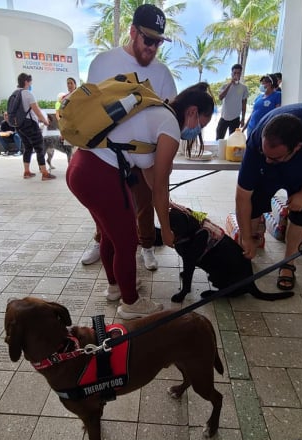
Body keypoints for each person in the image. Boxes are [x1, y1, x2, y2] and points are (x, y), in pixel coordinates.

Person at [66, 84, 214, 320]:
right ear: (193, 111)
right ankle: (131, 303)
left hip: (80, 169)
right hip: (100, 175)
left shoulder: (157, 112)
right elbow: (161, 183)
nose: (197, 131)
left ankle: (115, 287)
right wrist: (166, 230)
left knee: (109, 235)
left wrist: (167, 204)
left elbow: (150, 174)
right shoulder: (170, 126)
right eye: (202, 124)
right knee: (126, 241)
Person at [82, 3, 177, 270]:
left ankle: (146, 246)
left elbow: (169, 115)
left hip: (144, 156)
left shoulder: (162, 73)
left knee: (145, 204)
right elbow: (90, 108)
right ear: (133, 31)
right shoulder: (103, 62)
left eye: (158, 42)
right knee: (104, 207)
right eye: (148, 39)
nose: (152, 48)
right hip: (107, 154)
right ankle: (100, 241)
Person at [235, 103, 302, 291]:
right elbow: (242, 196)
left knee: (301, 212)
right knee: (254, 201)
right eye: (265, 154)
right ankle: (247, 251)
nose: (268, 160)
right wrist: (246, 237)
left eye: (274, 158)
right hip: (268, 170)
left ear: (297, 147)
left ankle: (288, 264)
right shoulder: (257, 143)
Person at [15, 73, 55, 180]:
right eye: (30, 82)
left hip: (19, 125)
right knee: (39, 148)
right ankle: (45, 173)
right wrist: (45, 121)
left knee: (27, 147)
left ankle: (26, 171)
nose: (31, 84)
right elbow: (36, 110)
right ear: (26, 82)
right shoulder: (27, 93)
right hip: (30, 124)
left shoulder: (15, 93)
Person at [216, 63, 248, 140]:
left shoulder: (243, 88)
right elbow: (220, 97)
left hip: (235, 119)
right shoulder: (225, 86)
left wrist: (243, 119)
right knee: (219, 139)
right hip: (224, 118)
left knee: (233, 141)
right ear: (231, 74)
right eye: (234, 73)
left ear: (241, 74)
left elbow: (244, 104)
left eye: (238, 73)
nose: (236, 75)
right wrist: (230, 84)